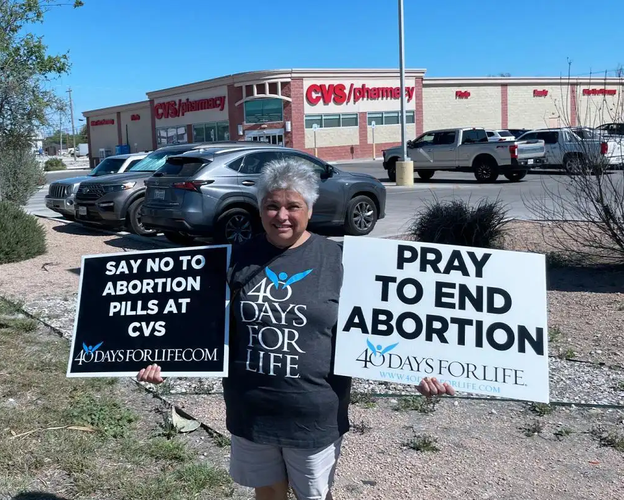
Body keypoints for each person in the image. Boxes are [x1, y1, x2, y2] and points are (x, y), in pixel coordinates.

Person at [138, 157, 454, 500]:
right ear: (260, 209)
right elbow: (198, 322)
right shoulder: (234, 259)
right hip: (252, 410)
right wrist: (164, 358)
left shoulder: (340, 260)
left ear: (310, 207)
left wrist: (423, 369)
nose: (282, 215)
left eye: (293, 205)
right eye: (272, 206)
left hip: (314, 414)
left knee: (314, 496)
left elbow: (389, 324)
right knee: (269, 493)